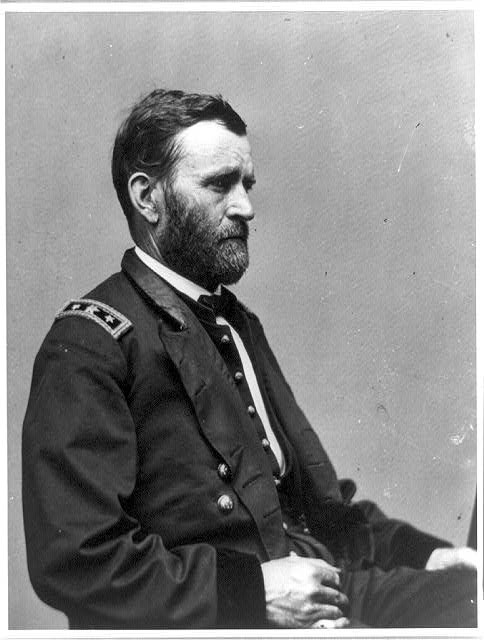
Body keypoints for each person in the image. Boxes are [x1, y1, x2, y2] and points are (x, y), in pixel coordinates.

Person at [22, 88, 477, 630]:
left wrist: (422, 555)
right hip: (213, 620)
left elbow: (318, 505)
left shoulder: (237, 325)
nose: (246, 207)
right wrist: (251, 592)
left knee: (471, 592)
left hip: (320, 590)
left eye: (247, 184)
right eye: (219, 184)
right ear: (148, 198)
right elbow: (76, 560)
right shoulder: (91, 343)